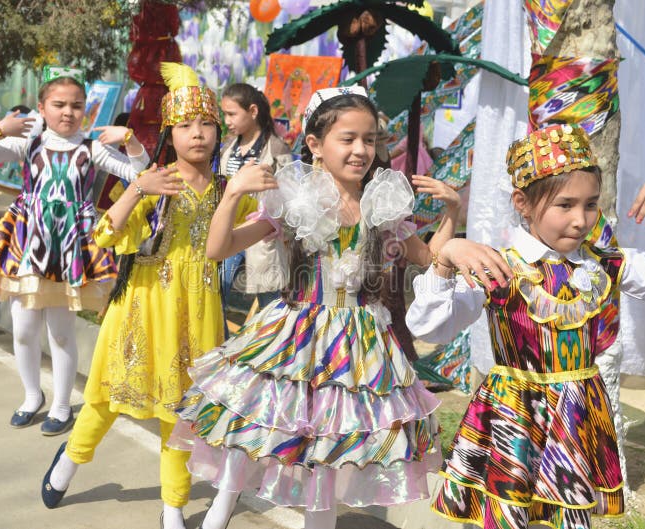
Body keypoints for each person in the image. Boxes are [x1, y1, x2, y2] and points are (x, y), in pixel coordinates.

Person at [167, 86, 463, 529]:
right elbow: (219, 248)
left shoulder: (380, 202)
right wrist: (231, 196)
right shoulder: (295, 199)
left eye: (369, 139)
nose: (361, 150)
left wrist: (452, 214)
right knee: (262, 430)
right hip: (298, 335)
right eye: (348, 139)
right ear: (314, 146)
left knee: (328, 455)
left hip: (361, 346)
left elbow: (430, 259)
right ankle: (217, 515)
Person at [405, 123, 645, 529]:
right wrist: (446, 256)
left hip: (578, 415)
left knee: (568, 517)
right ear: (523, 203)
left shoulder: (602, 263)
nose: (580, 220)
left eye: (591, 204)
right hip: (514, 414)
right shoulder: (498, 266)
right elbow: (429, 327)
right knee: (509, 514)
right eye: (565, 205)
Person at [39, 63, 260, 529]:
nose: (197, 134)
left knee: (182, 414)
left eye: (206, 124)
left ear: (219, 132)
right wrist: (138, 187)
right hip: (141, 311)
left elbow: (266, 220)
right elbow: (103, 235)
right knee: (104, 401)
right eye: (184, 126)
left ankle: (174, 507)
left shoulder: (228, 189)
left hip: (198, 316)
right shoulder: (155, 183)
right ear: (169, 133)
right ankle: (70, 460)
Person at [0, 66, 150, 435]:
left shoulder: (91, 148)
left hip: (71, 249)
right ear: (42, 107)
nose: (68, 112)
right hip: (27, 245)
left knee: (62, 332)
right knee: (23, 329)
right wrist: (0, 128)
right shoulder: (27, 142)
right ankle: (32, 396)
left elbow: (138, 173)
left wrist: (130, 139)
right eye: (59, 104)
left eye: (76, 105)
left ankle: (62, 405)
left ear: (86, 109)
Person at [219, 83, 293, 312]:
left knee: (270, 304)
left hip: (261, 235)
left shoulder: (276, 148)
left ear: (252, 111)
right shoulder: (228, 146)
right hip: (230, 230)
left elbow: (288, 194)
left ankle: (275, 346)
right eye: (224, 114)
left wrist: (282, 230)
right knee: (216, 292)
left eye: (232, 114)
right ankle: (222, 345)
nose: (227, 120)